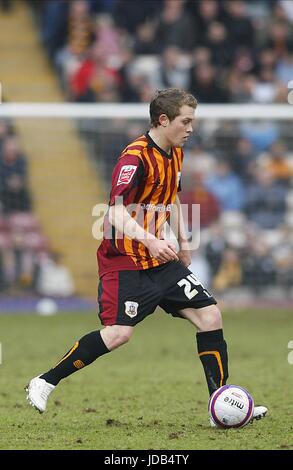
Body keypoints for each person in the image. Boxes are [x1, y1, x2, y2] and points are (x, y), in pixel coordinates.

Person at [25, 88, 267, 425]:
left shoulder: (175, 151)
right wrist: (152, 241)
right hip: (124, 259)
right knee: (119, 334)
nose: (191, 128)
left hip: (160, 259)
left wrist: (183, 241)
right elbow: (114, 214)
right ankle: (44, 381)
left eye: (192, 121)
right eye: (186, 121)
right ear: (164, 120)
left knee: (210, 315)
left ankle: (220, 405)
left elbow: (171, 199)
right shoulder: (134, 158)